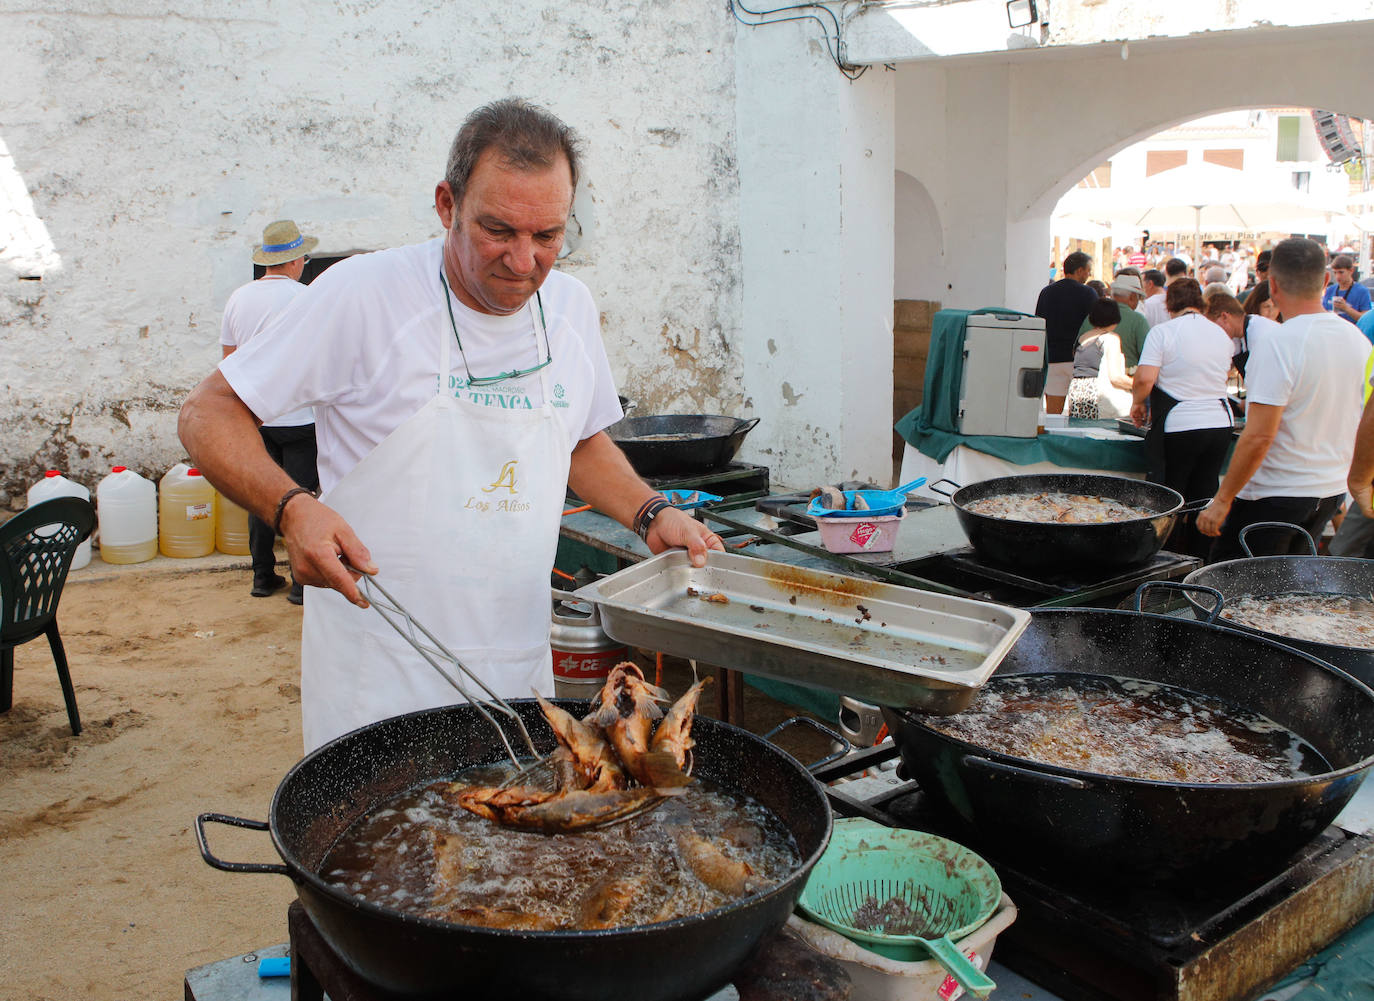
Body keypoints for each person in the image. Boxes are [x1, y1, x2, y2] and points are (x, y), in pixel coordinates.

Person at [179, 98, 723, 752]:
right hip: (382, 671)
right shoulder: (366, 294)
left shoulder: (571, 309)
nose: (524, 262)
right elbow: (207, 413)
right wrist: (293, 509)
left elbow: (572, 435)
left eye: (547, 236)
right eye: (498, 230)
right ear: (447, 204)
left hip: (516, 667)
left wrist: (649, 511)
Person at [1197, 238, 1374, 559]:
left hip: (1276, 494)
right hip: (1329, 490)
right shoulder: (1358, 340)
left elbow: (1259, 435)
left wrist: (1223, 499)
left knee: (1229, 591)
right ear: (1325, 281)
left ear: (1272, 285)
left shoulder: (1279, 342)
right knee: (1287, 593)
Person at [220, 219, 321, 603]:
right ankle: (299, 584)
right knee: (300, 498)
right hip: (300, 417)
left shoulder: (238, 298)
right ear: (296, 261)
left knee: (263, 496)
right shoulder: (306, 297)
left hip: (257, 418)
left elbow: (229, 362)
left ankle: (262, 577)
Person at [1129, 278, 1234, 557]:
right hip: (1220, 423)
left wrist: (1138, 403)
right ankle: (1199, 559)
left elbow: (1144, 379)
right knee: (1204, 495)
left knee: (1172, 498)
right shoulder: (1221, 334)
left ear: (1168, 304)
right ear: (1201, 302)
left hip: (1181, 423)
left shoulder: (1163, 332)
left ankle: (1168, 560)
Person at [1035, 251, 1099, 415]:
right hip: (1078, 361)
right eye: (1087, 270)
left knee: (1053, 415)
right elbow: (1095, 325)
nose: (1088, 274)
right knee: (1079, 414)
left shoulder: (1047, 292)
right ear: (1079, 270)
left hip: (1053, 359)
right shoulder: (1088, 293)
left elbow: (1039, 323)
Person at [1067, 299, 1133, 420]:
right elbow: (1115, 377)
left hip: (1077, 392)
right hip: (1098, 393)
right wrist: (1136, 384)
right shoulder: (1111, 339)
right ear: (1115, 317)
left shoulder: (1082, 338)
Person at [1203, 292, 1280, 385]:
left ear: (1224, 317)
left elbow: (1266, 381)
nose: (1213, 332)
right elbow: (1222, 369)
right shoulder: (1237, 337)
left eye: (1213, 326)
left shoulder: (1258, 333)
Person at [1083, 273, 1150, 371]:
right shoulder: (1138, 320)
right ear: (1132, 297)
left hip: (1092, 377)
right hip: (1126, 377)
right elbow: (1146, 355)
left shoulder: (1092, 316)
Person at [1322, 254, 1372, 324]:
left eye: (1341, 272)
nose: (1337, 277)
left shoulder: (1362, 291)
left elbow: (1366, 319)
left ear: (1351, 271)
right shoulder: (1330, 290)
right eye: (1335, 272)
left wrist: (1346, 308)